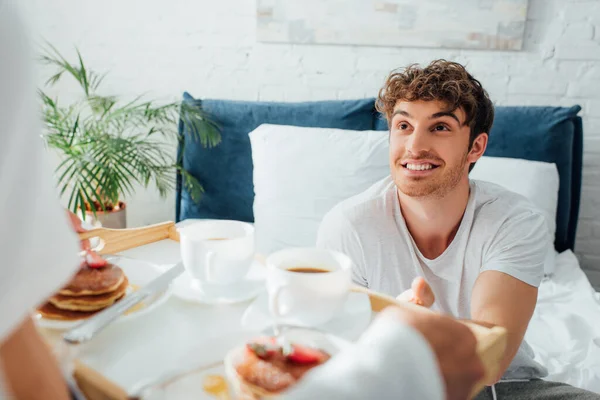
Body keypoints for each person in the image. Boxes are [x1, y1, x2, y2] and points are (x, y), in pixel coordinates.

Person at [317, 59, 600, 399]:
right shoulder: (349, 225)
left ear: (476, 147)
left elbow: (491, 357)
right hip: (390, 385)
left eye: (439, 128)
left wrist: (410, 328)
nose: (415, 145)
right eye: (403, 125)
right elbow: (330, 346)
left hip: (501, 388)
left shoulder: (514, 221)